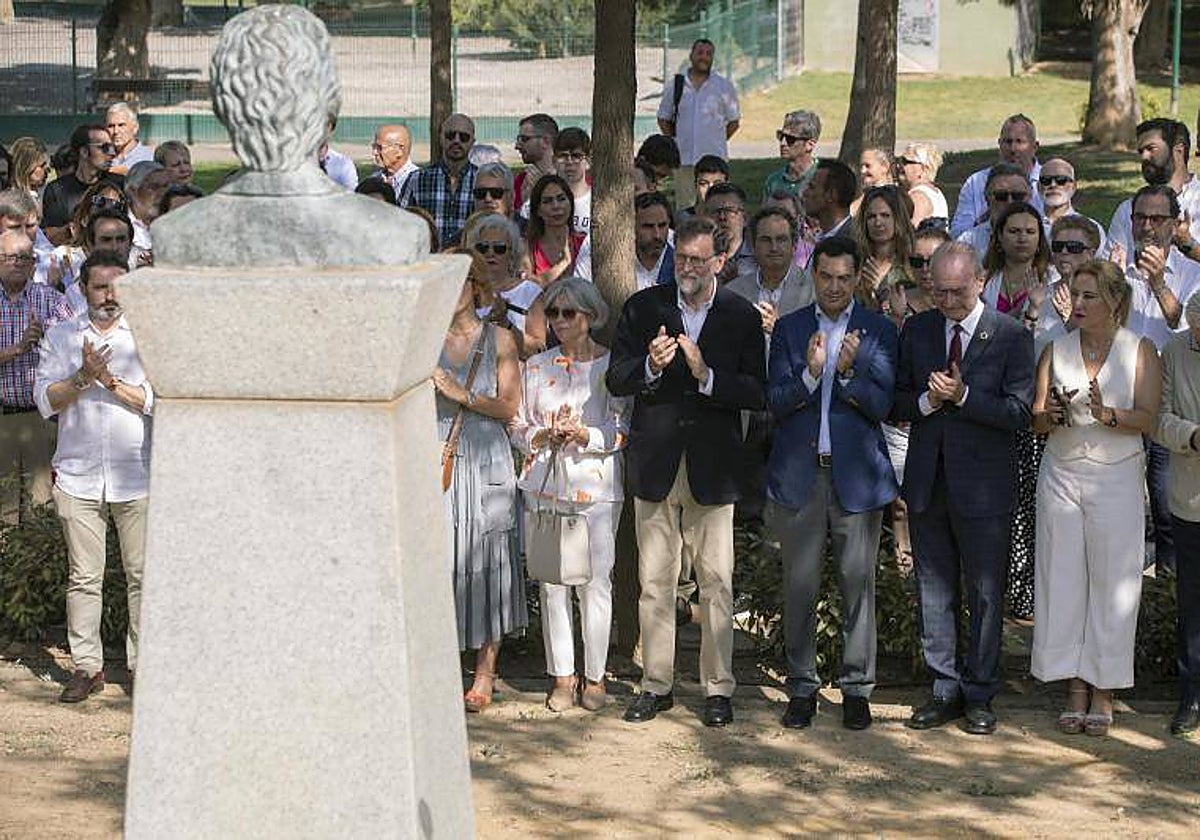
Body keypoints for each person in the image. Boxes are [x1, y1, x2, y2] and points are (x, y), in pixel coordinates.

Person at [606, 216, 766, 727]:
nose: (688, 268)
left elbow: (757, 392)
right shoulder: (644, 306)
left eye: (699, 260)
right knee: (655, 580)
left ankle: (718, 687)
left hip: (713, 465)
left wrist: (705, 375)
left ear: (720, 262)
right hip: (656, 460)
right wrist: (651, 367)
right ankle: (657, 683)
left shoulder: (740, 316)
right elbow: (616, 377)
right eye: (682, 259)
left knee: (716, 580)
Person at [893, 241, 1034, 736]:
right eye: (939, 291)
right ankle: (944, 689)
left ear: (979, 282)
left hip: (985, 489)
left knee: (986, 593)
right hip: (930, 481)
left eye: (957, 292)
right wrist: (929, 403)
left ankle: (980, 693)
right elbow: (898, 400)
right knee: (934, 591)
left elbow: (1020, 414)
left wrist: (965, 396)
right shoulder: (919, 327)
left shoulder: (1011, 336)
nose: (948, 301)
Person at [766, 236, 899, 730]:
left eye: (846, 278)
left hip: (856, 479)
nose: (836, 286)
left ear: (856, 278)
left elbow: (884, 404)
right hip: (801, 476)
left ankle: (857, 689)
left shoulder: (879, 330)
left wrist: (844, 376)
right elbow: (775, 401)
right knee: (799, 586)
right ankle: (802, 685)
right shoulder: (789, 329)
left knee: (856, 584)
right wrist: (811, 373)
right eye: (827, 277)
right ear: (814, 275)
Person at [1032, 259, 1160, 736]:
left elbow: (1147, 417)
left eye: (1089, 296)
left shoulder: (1140, 349)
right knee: (1062, 578)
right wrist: (1055, 414)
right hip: (1061, 475)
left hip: (1117, 479)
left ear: (1114, 302)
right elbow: (1036, 419)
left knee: (1112, 583)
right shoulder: (1055, 348)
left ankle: (1103, 690)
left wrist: (1109, 415)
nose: (1079, 304)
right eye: (1076, 294)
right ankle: (1073, 688)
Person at [34, 251, 153, 703]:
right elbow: (46, 400)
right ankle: (88, 667)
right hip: (80, 475)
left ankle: (143, 666)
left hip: (136, 473)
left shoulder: (145, 335)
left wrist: (110, 383)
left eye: (117, 286)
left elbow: (154, 401)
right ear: (83, 289)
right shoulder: (63, 336)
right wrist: (84, 376)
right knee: (85, 577)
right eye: (101, 287)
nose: (109, 296)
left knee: (141, 575)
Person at [510, 277, 629, 712]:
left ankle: (595, 676)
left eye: (569, 313)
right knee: (551, 583)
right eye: (553, 313)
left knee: (595, 584)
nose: (559, 321)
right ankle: (562, 674)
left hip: (596, 488)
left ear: (590, 316)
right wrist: (543, 435)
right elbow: (517, 425)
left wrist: (585, 434)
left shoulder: (611, 367)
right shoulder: (534, 368)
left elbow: (623, 430)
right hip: (545, 485)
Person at [433, 272, 524, 713]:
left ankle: (485, 672)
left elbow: (509, 407)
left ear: (474, 286)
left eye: (457, 281)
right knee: (439, 563)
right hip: (437, 461)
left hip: (487, 456)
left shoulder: (502, 339)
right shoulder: (420, 336)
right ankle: (441, 666)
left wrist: (461, 394)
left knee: (491, 561)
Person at [979, 201, 1054, 622]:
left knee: (1031, 504)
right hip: (993, 402)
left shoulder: (1052, 281)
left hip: (1035, 404)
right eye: (1014, 230)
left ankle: (1028, 597)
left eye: (1030, 230)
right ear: (1000, 237)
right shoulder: (986, 282)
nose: (1022, 237)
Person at [1124, 184, 1200, 575]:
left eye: (1158, 219)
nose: (1148, 227)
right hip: (1123, 399)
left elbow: (1184, 325)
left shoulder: (1192, 272)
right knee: (1124, 507)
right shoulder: (1118, 268)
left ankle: (1169, 589)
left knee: (1167, 505)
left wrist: (1157, 282)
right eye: (1141, 218)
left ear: (1176, 224)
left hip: (1169, 401)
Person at [728, 207, 814, 527]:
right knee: (748, 499)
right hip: (749, 406)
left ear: (795, 244)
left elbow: (823, 351)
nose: (774, 247)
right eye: (766, 240)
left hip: (795, 403)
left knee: (789, 500)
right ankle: (751, 568)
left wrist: (780, 330)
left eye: (782, 240)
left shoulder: (814, 290)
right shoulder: (734, 293)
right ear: (753, 244)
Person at [0, 229, 72, 523]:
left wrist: (46, 342)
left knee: (40, 511)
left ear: (33, 264)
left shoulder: (53, 302)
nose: (17, 263)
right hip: (1, 417)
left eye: (24, 257)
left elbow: (73, 359)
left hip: (41, 420)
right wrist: (15, 350)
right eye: (9, 257)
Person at [1154, 292, 1200, 737]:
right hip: (1191, 498)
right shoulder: (1174, 351)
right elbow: (1159, 420)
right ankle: (1192, 695)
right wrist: (1193, 436)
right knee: (1193, 605)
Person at [656, 37, 739, 208]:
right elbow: (663, 118)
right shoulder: (676, 86)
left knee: (716, 205)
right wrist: (677, 141)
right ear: (691, 55)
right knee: (686, 209)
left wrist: (717, 140)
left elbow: (733, 122)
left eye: (709, 54)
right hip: (684, 160)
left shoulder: (723, 86)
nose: (704, 57)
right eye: (700, 53)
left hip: (715, 161)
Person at [1108, 119, 1200, 257]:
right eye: (1141, 151)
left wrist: (1189, 245)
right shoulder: (1128, 210)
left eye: (1151, 149)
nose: (1144, 157)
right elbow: (1108, 270)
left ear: (1179, 150)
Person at [466, 211, 546, 359]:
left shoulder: (529, 292)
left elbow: (539, 351)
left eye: (499, 248)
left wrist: (505, 323)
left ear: (512, 254)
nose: (490, 253)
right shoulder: (465, 291)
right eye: (483, 247)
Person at [951, 114, 1042, 237]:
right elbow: (957, 234)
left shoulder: (1050, 181)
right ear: (999, 144)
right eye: (1007, 142)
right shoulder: (976, 182)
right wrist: (988, 218)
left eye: (1020, 142)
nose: (1013, 149)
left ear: (1035, 147)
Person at [401, 113, 478, 248]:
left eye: (464, 137)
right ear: (441, 138)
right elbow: (402, 222)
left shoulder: (481, 181)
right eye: (450, 135)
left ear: (472, 142)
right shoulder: (418, 179)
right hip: (428, 263)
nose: (456, 141)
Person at [40, 124, 119, 246]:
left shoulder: (119, 185)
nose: (112, 153)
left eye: (113, 147)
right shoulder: (57, 190)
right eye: (104, 148)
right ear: (84, 151)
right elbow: (50, 236)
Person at [854, 185, 915, 311]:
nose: (878, 223)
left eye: (885, 215)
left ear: (898, 218)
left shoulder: (912, 263)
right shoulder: (856, 262)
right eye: (871, 217)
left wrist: (879, 290)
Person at [956, 163, 1039, 255]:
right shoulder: (968, 242)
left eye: (1018, 196)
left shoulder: (1047, 236)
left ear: (1030, 196)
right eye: (1001, 196)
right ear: (987, 198)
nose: (1010, 202)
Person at [526, 174, 585, 287]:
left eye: (561, 199)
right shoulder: (528, 246)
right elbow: (528, 288)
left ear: (571, 203)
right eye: (547, 201)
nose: (556, 206)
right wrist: (564, 263)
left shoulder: (584, 242)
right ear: (537, 210)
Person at [1037, 157, 1105, 248]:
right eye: (1046, 181)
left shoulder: (1091, 228)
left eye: (1061, 180)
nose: (1053, 185)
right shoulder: (1028, 226)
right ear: (1038, 187)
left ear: (1074, 187)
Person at [763, 110, 821, 203]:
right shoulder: (773, 181)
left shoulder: (823, 180)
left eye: (790, 139)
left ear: (809, 145)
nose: (783, 143)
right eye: (781, 136)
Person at [123, 161, 171, 270]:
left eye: (166, 187)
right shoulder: (120, 225)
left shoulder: (173, 223)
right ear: (132, 191)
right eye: (154, 187)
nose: (162, 193)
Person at [705, 182, 754, 283]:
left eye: (729, 211)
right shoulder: (698, 257)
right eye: (716, 211)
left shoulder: (759, 256)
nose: (722, 217)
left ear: (745, 218)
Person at [514, 113, 559, 217]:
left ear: (546, 141)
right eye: (518, 139)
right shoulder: (520, 181)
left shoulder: (569, 179)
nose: (517, 146)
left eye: (524, 139)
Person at [895, 143, 948, 228]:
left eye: (905, 161)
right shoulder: (936, 192)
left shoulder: (917, 196)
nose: (898, 165)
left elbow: (910, 232)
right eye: (899, 160)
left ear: (923, 169)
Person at [803, 159, 856, 243]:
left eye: (812, 187)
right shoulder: (814, 239)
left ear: (831, 195)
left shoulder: (855, 241)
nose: (805, 192)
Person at [553, 128, 592, 236]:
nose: (569, 162)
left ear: (588, 162)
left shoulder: (599, 202)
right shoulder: (541, 202)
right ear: (554, 161)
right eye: (563, 156)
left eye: (576, 156)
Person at [677, 154, 730, 225]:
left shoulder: (735, 219)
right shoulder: (682, 219)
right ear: (696, 185)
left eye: (717, 184)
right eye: (703, 184)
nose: (710, 189)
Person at [370, 123, 418, 199]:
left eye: (379, 148)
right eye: (374, 147)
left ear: (399, 150)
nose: (374, 153)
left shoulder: (418, 181)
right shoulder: (373, 180)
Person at [105, 103, 155, 175]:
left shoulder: (149, 158)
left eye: (121, 125)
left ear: (135, 128)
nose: (116, 131)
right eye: (111, 126)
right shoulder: (101, 157)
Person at [849, 148, 894, 216]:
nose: (863, 171)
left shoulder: (891, 195)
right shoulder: (866, 193)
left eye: (868, 166)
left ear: (884, 167)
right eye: (861, 166)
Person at [8, 137, 50, 202]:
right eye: (42, 165)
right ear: (26, 167)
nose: (48, 169)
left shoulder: (45, 194)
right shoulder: (11, 201)